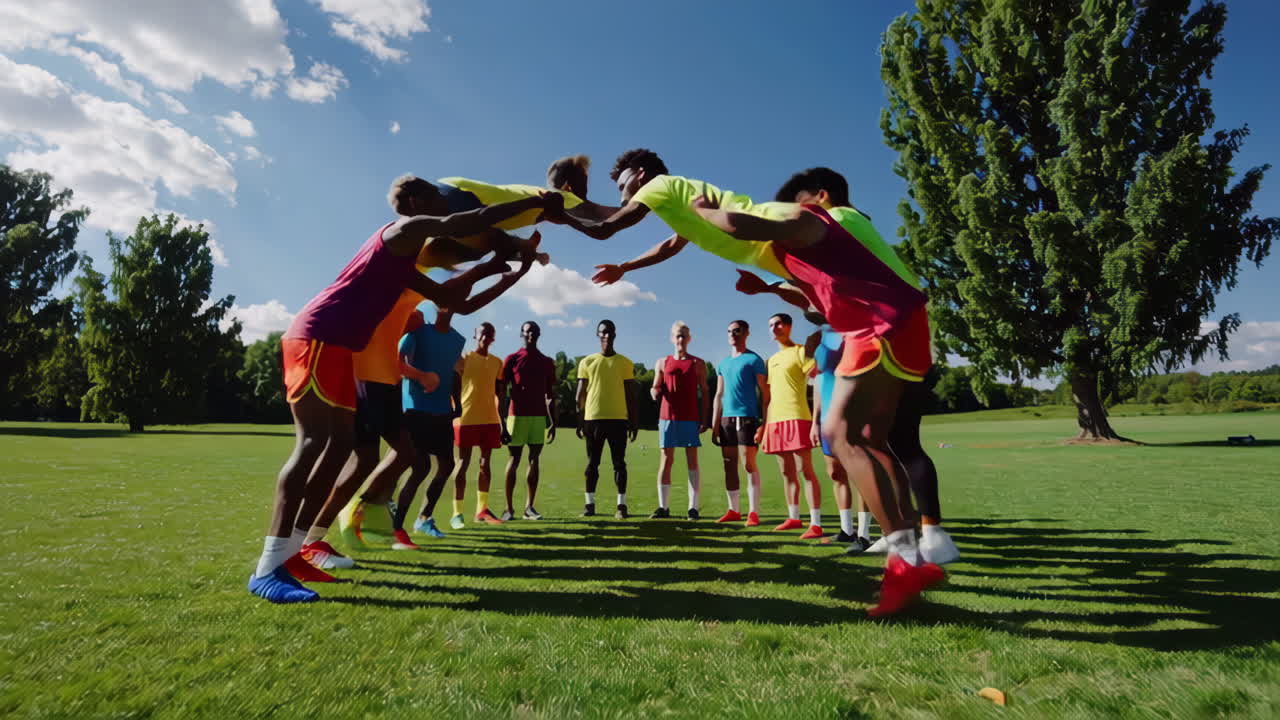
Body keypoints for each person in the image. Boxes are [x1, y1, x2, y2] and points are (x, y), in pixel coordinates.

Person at [247, 175, 560, 603]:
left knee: (340, 447)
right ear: (413, 201)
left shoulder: (402, 263)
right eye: (435, 197)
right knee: (313, 443)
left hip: (340, 347)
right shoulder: (401, 231)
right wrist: (535, 201)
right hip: (318, 335)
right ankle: (267, 568)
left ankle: (295, 553)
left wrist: (498, 269)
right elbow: (469, 220)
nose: (444, 205)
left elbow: (455, 300)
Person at [690, 168, 947, 616]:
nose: (793, 211)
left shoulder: (834, 218)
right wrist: (767, 287)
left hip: (877, 324)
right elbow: (814, 298)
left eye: (798, 202)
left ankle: (906, 559)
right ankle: (911, 551)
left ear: (821, 197)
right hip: (905, 321)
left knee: (841, 435)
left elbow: (747, 226)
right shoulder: (855, 234)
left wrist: (705, 213)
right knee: (872, 440)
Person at [760, 313, 824, 539]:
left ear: (788, 326)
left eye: (778, 323)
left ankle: (815, 523)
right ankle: (794, 517)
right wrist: (765, 426)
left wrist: (816, 420)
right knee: (786, 472)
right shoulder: (771, 360)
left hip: (798, 417)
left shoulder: (801, 352)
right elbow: (770, 397)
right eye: (770, 324)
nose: (774, 327)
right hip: (775, 421)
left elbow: (817, 379)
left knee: (804, 470)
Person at [576, 319, 638, 519]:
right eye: (603, 332)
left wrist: (634, 421)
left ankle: (621, 506)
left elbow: (630, 395)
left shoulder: (625, 363)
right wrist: (580, 420)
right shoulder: (587, 362)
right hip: (593, 419)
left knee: (619, 464)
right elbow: (580, 395)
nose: (607, 335)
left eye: (610, 332)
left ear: (615, 335)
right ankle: (589, 505)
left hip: (618, 419)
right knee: (592, 464)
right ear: (598, 335)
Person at [710, 320, 769, 526]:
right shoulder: (723, 363)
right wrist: (715, 424)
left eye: (737, 331)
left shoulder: (754, 360)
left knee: (748, 464)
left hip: (747, 419)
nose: (732, 334)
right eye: (729, 331)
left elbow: (765, 394)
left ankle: (753, 512)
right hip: (726, 420)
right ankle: (733, 510)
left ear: (746, 333)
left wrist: (764, 423)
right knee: (729, 465)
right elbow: (719, 394)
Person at [499, 321, 558, 521]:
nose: (530, 334)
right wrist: (501, 422)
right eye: (527, 331)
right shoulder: (512, 359)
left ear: (539, 334)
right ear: (521, 334)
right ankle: (508, 509)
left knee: (534, 459)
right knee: (514, 459)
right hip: (516, 416)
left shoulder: (546, 362)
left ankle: (529, 508)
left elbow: (550, 395)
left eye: (534, 331)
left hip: (538, 417)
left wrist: (553, 421)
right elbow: (501, 393)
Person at [650, 321, 709, 519]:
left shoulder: (697, 363)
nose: (681, 339)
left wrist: (705, 419)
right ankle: (663, 507)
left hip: (690, 418)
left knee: (692, 462)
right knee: (666, 461)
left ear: (689, 339)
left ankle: (693, 508)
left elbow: (705, 392)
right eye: (677, 335)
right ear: (672, 338)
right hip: (667, 418)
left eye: (684, 335)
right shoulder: (662, 362)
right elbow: (655, 386)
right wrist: (654, 392)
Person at [452, 322, 505, 528]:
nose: (485, 336)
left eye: (489, 334)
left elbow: (500, 393)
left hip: (490, 419)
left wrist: (502, 422)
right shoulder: (464, 359)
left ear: (493, 338)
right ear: (475, 335)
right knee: (462, 464)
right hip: (466, 418)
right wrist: (454, 410)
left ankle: (481, 510)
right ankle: (457, 513)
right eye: (482, 333)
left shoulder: (497, 363)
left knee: (485, 464)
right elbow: (453, 384)